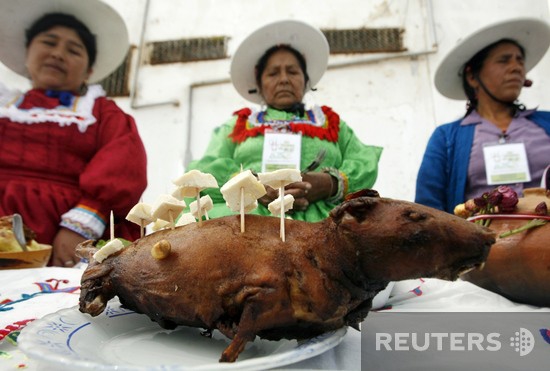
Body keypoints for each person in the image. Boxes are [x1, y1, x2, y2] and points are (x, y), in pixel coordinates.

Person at [186, 20, 382, 221]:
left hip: (323, 222)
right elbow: (204, 171)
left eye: (293, 71)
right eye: (273, 73)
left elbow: (364, 163)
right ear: (259, 83)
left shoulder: (330, 123)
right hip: (251, 221)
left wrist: (328, 183)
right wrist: (253, 187)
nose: (284, 79)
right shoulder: (238, 124)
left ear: (305, 80)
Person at [0, 0, 147, 267]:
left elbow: (124, 164)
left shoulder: (102, 112)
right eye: (49, 42)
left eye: (73, 50)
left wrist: (81, 226)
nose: (58, 54)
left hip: (70, 233)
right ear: (27, 52)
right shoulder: (4, 107)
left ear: (89, 71)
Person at [415, 18, 550, 213]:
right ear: (472, 77)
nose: (516, 67)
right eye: (504, 60)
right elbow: (428, 209)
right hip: (482, 241)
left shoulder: (547, 123)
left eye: (520, 60)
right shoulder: (446, 138)